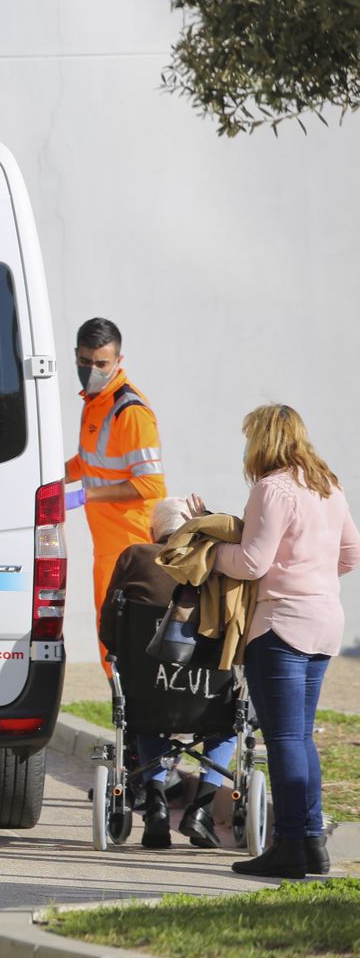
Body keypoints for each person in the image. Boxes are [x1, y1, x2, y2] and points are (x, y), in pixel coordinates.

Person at [200, 405, 360, 878]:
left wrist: (209, 554)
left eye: (250, 437)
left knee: (286, 738)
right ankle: (310, 843)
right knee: (301, 737)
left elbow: (250, 562)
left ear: (264, 440)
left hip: (282, 625)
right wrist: (309, 574)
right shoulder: (327, 485)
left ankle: (292, 844)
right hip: (325, 620)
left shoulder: (271, 489)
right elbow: (350, 555)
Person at [99, 496, 237, 850]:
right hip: (207, 695)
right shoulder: (218, 563)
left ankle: (157, 806)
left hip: (151, 693)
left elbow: (109, 627)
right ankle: (202, 809)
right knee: (227, 725)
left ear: (152, 531)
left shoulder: (135, 555)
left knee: (147, 714)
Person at [64, 318, 167, 677]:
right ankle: (124, 719)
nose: (91, 370)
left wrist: (84, 495)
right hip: (108, 541)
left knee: (122, 634)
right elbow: (88, 462)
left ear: (118, 361)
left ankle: (134, 723)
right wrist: (47, 476)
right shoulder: (94, 403)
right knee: (110, 632)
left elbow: (151, 484)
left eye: (101, 363)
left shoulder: (130, 412)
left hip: (130, 543)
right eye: (85, 361)